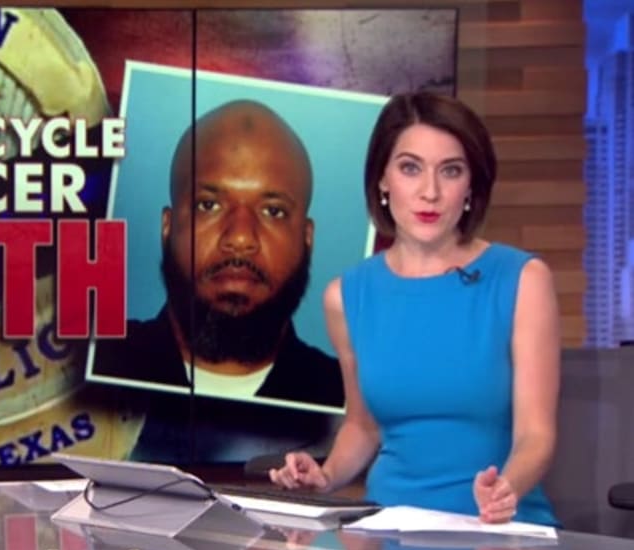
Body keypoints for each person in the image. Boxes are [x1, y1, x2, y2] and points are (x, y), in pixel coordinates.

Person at [269, 91, 561, 527]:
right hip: (390, 525)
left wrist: (506, 489)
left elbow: (536, 434)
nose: (430, 192)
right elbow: (363, 426)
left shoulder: (522, 280)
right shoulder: (347, 296)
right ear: (382, 180)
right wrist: (324, 476)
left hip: (497, 528)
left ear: (471, 186)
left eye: (451, 170)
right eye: (410, 168)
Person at [93, 99, 344, 410]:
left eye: (273, 211)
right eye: (208, 205)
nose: (240, 238)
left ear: (307, 238)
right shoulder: (86, 366)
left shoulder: (350, 399)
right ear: (168, 227)